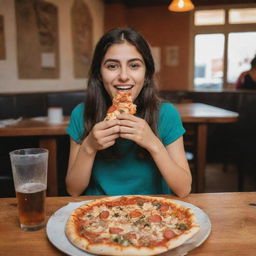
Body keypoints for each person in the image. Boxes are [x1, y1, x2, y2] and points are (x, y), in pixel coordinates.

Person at [65, 28, 192, 198]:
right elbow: (73, 190)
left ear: (146, 73)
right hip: (97, 211)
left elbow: (184, 189)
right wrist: (89, 147)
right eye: (112, 66)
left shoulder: (166, 114)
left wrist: (153, 143)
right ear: (99, 74)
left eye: (134, 65)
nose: (123, 76)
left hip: (154, 212)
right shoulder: (81, 114)